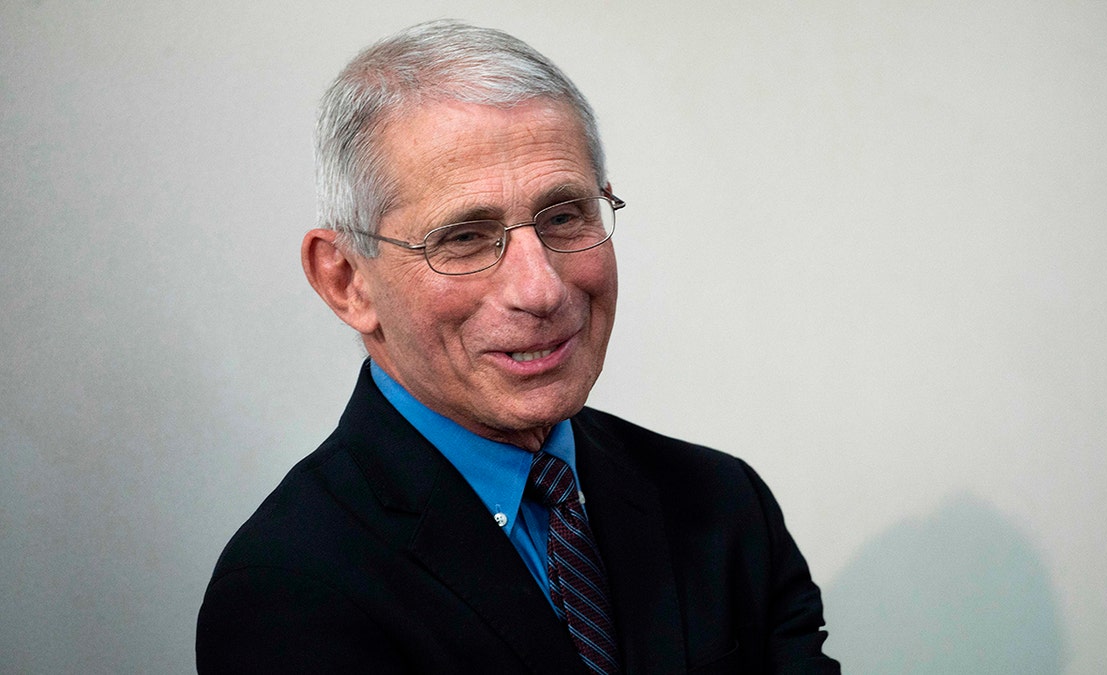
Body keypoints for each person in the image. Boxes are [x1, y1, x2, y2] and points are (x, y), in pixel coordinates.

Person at [196, 19, 839, 674]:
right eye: (464, 237)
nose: (542, 288)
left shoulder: (722, 503)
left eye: (563, 216)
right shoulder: (289, 590)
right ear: (348, 280)